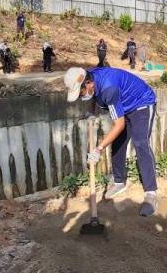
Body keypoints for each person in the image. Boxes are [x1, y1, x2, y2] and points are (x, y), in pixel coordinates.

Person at [64, 66, 158, 216]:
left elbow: (119, 125)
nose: (81, 96)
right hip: (124, 105)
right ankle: (119, 182)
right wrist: (91, 112)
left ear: (88, 83)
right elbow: (93, 95)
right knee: (118, 144)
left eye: (80, 92)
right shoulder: (91, 76)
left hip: (141, 103)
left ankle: (151, 193)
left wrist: (98, 148)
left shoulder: (109, 89)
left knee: (141, 143)